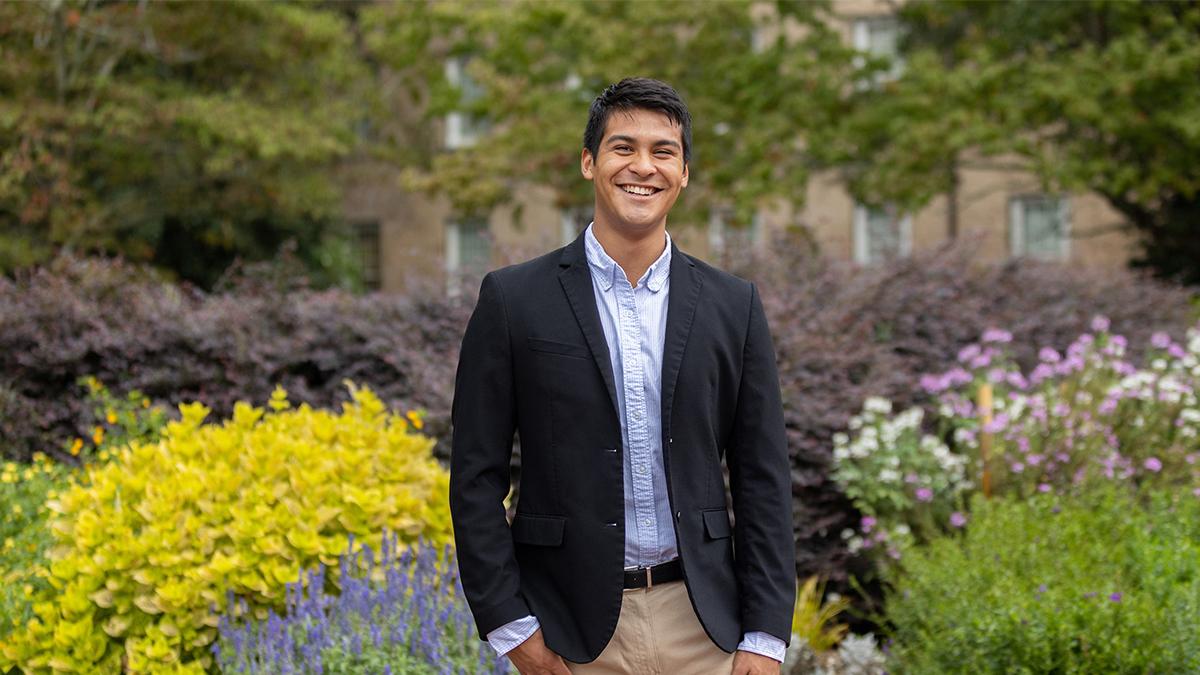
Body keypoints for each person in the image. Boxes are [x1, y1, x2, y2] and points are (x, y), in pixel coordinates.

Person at [450, 77, 794, 675]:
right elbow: (475, 476)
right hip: (568, 630)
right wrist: (511, 628)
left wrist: (765, 638)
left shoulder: (732, 305)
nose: (643, 167)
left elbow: (763, 476)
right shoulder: (513, 300)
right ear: (589, 162)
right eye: (622, 147)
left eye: (664, 151)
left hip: (705, 626)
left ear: (684, 172)